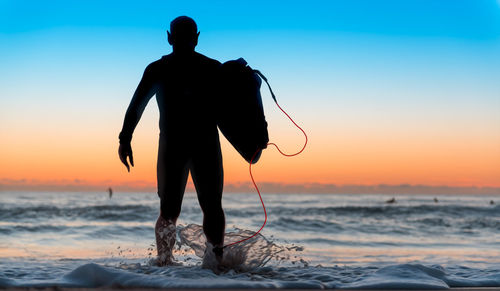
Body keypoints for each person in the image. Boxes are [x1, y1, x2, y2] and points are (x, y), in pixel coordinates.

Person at [118, 16, 225, 266]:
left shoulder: (158, 68)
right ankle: (216, 264)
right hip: (206, 145)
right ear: (197, 37)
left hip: (171, 147)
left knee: (168, 211)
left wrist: (125, 139)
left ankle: (164, 264)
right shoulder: (212, 68)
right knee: (212, 207)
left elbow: (136, 106)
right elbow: (233, 110)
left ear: (169, 37)